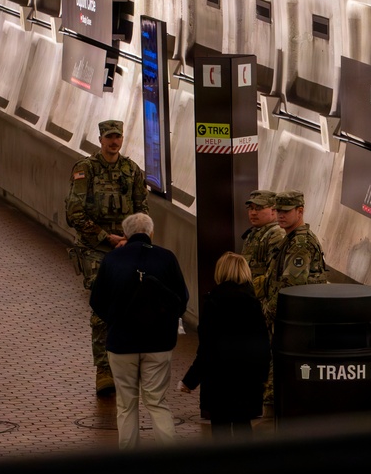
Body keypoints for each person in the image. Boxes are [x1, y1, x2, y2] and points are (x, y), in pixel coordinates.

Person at [89, 212, 188, 450]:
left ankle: (130, 461)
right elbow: (181, 299)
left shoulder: (113, 259)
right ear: (151, 233)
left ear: (126, 234)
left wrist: (115, 320)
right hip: (159, 344)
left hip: (121, 343)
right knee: (157, 401)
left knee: (126, 404)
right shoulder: (166, 258)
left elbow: (97, 300)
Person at [65, 118, 148, 396]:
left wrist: (132, 239)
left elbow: (142, 213)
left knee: (129, 306)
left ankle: (124, 365)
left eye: (118, 137)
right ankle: (103, 370)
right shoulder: (85, 170)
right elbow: (75, 214)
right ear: (100, 139)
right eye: (109, 137)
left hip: (126, 247)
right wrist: (106, 237)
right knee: (102, 310)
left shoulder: (132, 171)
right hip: (96, 248)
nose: (114, 141)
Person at [180, 252, 271, 438]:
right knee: (243, 424)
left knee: (220, 427)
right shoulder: (253, 303)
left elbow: (206, 348)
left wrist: (190, 380)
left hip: (218, 377)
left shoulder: (213, 302)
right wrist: (262, 377)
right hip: (247, 377)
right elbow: (263, 344)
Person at [263, 189, 328, 328]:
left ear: (300, 211)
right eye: (278, 211)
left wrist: (267, 313)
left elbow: (291, 285)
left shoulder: (300, 243)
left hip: (295, 319)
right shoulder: (290, 239)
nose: (280, 215)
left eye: (285, 211)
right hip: (289, 317)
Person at [240, 190, 284, 303]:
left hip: (264, 300)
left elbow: (274, 275)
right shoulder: (254, 233)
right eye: (251, 208)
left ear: (274, 210)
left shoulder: (276, 234)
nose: (253, 213)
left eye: (259, 208)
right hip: (250, 297)